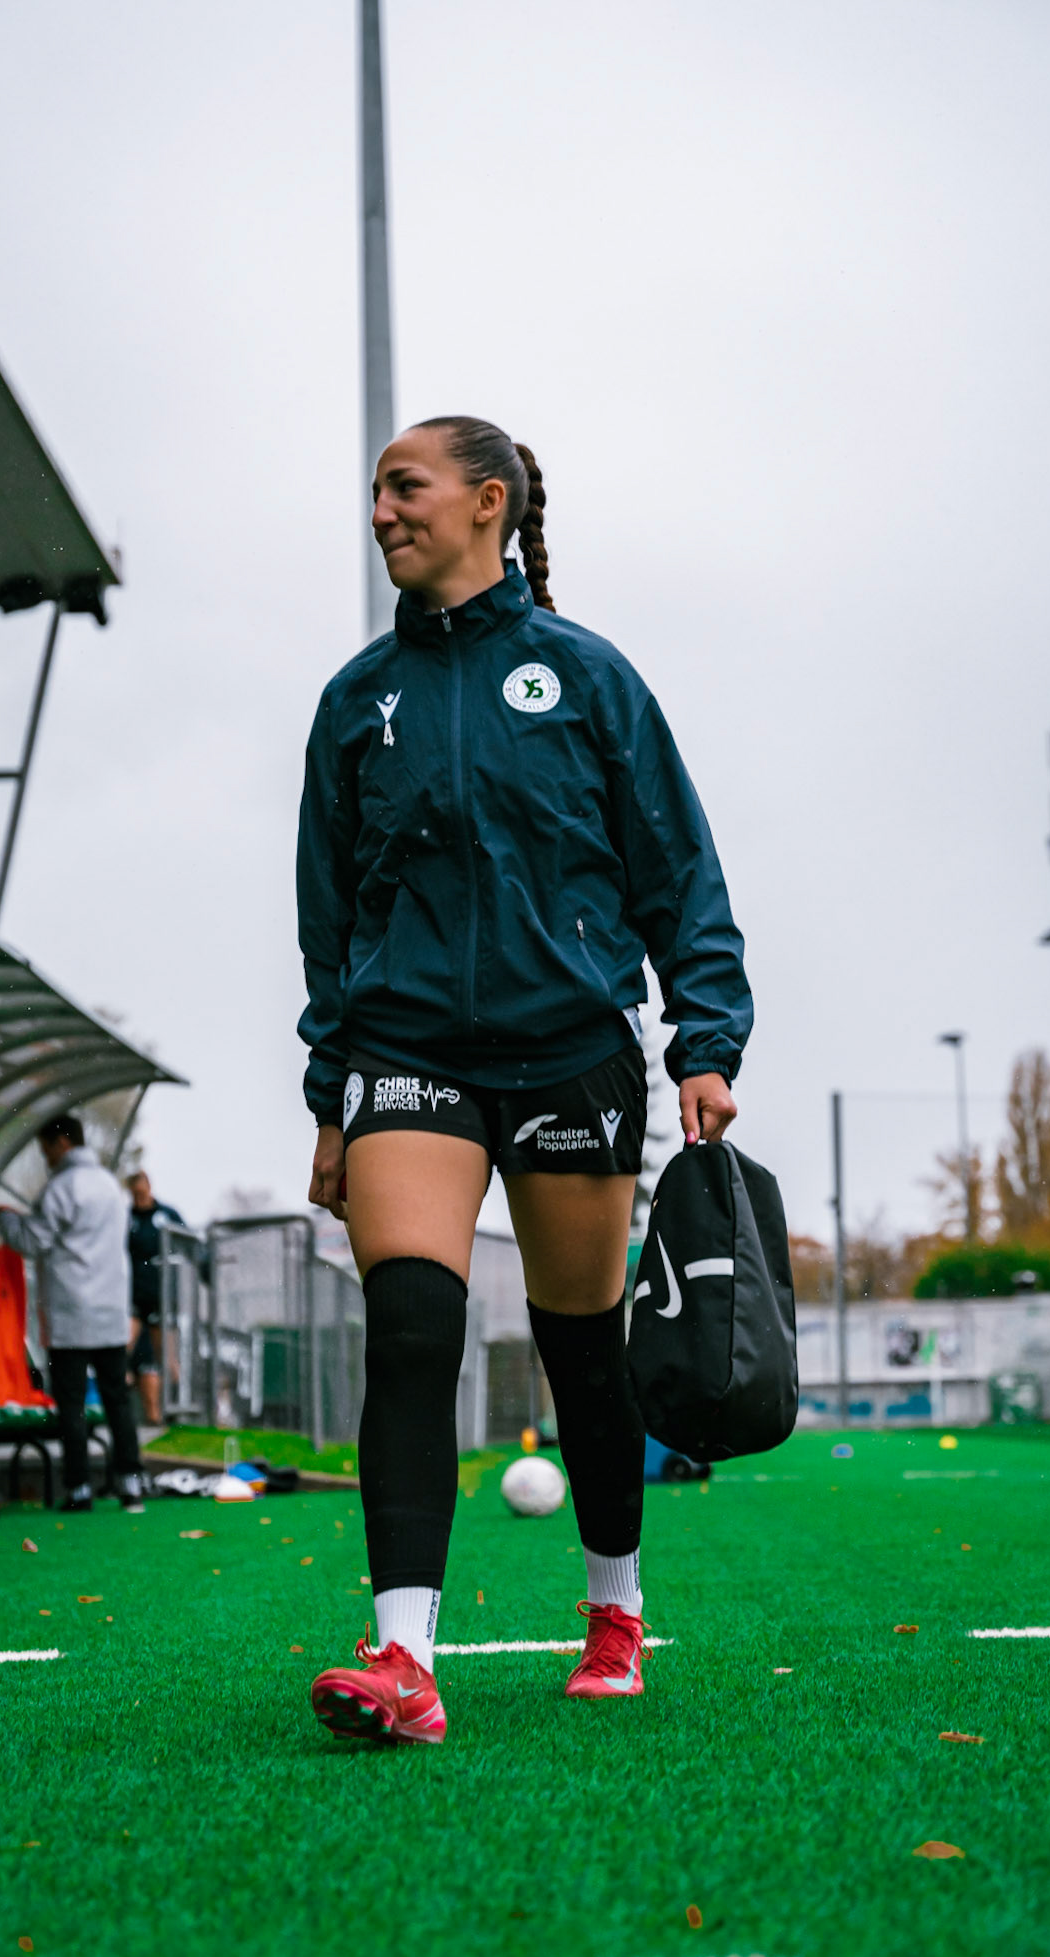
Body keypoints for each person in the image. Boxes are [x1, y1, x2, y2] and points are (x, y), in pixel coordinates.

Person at [297, 416, 751, 1745]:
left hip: (571, 1050)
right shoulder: (353, 703)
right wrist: (332, 1095)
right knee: (413, 1333)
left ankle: (613, 1609)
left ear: (486, 504)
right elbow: (329, 922)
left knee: (581, 1354)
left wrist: (704, 1042)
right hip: (405, 1051)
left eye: (405, 487)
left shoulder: (589, 679)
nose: (381, 510)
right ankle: (402, 1662)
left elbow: (678, 872)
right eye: (376, 490)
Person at [0, 1114, 144, 1511]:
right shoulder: (111, 1187)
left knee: (71, 1403)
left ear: (61, 1143)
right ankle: (131, 1483)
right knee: (117, 1401)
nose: (46, 1160)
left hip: (72, 1313)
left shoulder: (61, 1188)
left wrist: (5, 1219)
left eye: (46, 1150)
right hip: (110, 1309)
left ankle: (79, 1488)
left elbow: (34, 1240)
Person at [126, 1170, 186, 1427]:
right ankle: (123, 1383)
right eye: (135, 1195)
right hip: (134, 1295)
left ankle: (178, 1407)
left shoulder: (167, 1216)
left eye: (142, 1193)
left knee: (167, 1355)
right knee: (123, 1344)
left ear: (149, 1187)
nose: (139, 1199)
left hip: (162, 1296)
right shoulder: (127, 1219)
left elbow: (189, 1243)